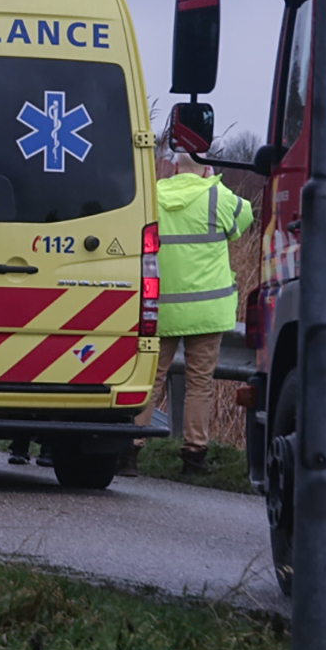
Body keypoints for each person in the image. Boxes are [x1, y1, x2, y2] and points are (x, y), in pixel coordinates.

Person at [130, 147, 253, 475]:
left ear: (172, 166)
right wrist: (216, 183)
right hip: (205, 311)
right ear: (207, 168)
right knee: (200, 383)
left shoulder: (153, 194)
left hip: (161, 308)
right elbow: (247, 216)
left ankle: (128, 450)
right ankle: (194, 455)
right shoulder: (217, 196)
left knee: (151, 379)